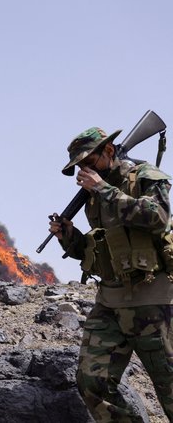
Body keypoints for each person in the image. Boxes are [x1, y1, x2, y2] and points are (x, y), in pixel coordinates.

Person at [49, 127, 173, 421]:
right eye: (80, 167)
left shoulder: (143, 176)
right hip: (109, 303)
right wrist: (70, 238)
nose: (83, 171)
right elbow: (101, 249)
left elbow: (158, 218)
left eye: (88, 162)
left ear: (108, 151)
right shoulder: (94, 196)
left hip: (151, 301)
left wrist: (103, 189)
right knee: (93, 383)